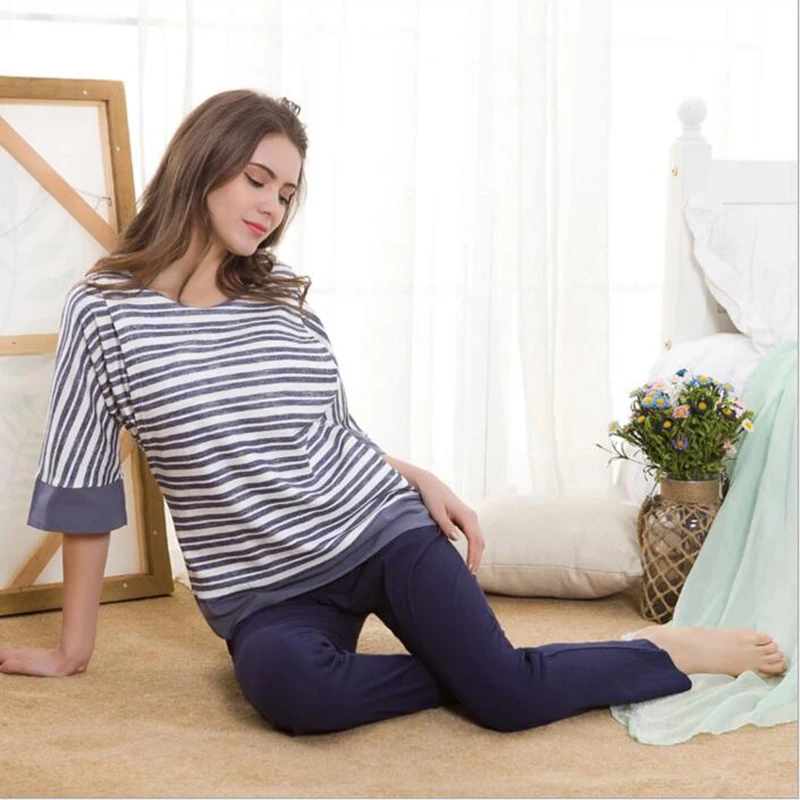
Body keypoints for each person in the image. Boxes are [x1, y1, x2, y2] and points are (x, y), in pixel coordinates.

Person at [1, 90, 787, 737]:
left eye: (286, 193)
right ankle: (484, 667)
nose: (271, 206)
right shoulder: (106, 313)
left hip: (378, 530)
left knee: (507, 701)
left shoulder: (281, 304)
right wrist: (74, 649)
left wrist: (416, 478)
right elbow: (83, 485)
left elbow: (328, 434)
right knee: (297, 697)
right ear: (202, 164)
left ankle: (658, 653)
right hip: (264, 594)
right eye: (257, 180)